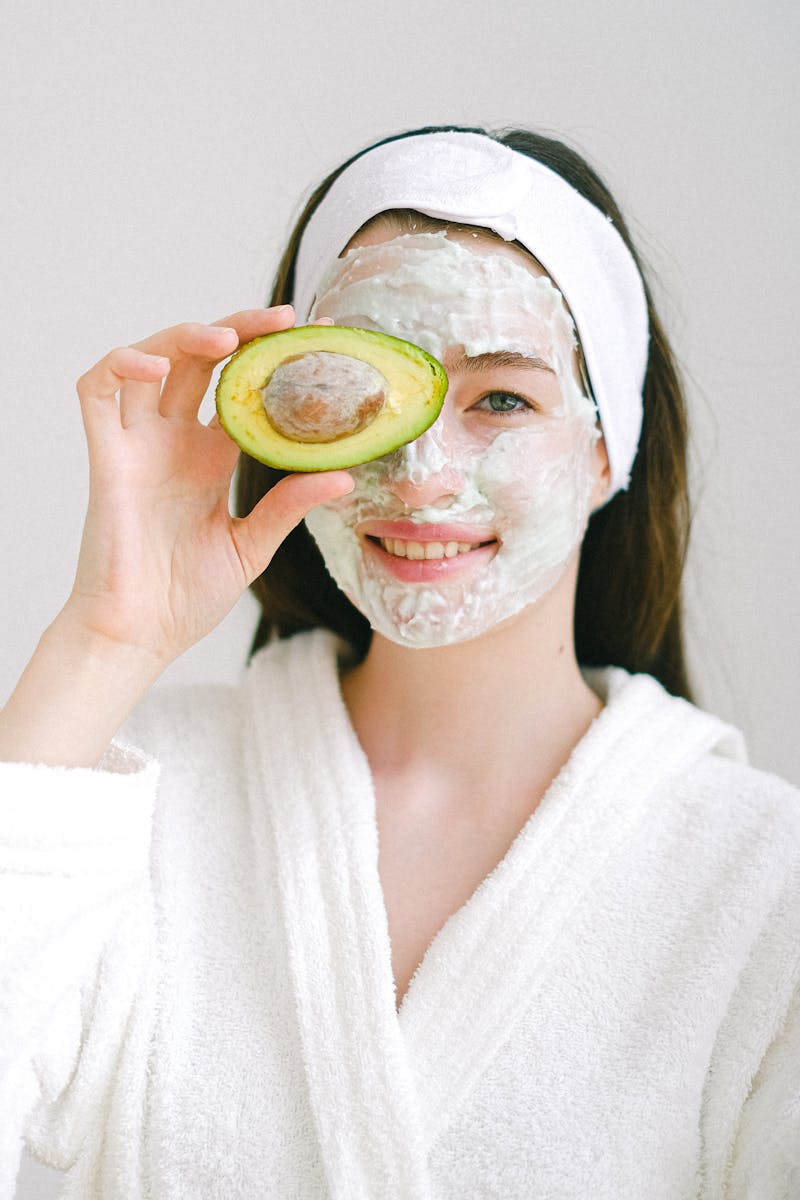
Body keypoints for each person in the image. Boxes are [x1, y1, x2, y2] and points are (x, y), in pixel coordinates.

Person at [1, 125, 798, 1199]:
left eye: (501, 400)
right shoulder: (136, 795)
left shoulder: (760, 876)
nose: (418, 476)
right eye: (350, 395)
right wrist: (104, 641)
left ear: (607, 445)